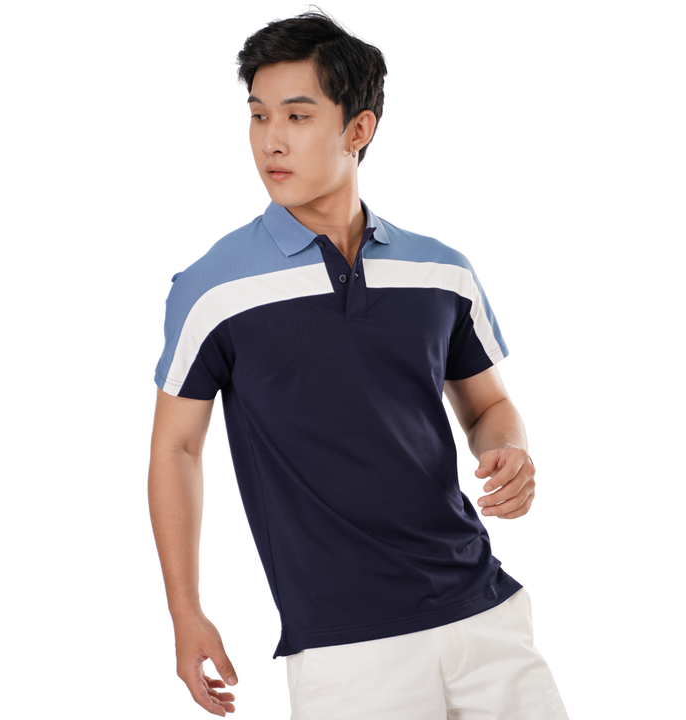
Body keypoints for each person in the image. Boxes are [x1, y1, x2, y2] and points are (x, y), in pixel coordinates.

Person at [148, 9, 569, 719]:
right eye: (258, 115)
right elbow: (176, 449)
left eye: (297, 115)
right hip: (345, 651)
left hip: (485, 617)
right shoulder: (212, 287)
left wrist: (511, 451)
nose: (271, 140)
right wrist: (185, 613)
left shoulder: (441, 271)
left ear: (358, 129)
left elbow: (489, 407)